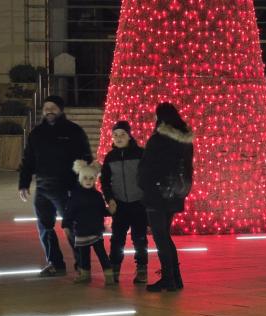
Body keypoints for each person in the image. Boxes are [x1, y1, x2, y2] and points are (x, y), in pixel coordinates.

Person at [18, 95, 92, 277]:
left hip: (66, 187)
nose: (49, 110)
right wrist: (24, 183)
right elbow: (28, 160)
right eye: (46, 108)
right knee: (45, 227)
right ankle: (55, 263)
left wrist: (81, 184)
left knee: (71, 226)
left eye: (53, 107)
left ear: (61, 110)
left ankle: (82, 264)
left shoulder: (74, 131)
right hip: (43, 188)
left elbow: (86, 157)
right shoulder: (36, 133)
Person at [138, 102, 194, 292]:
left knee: (160, 237)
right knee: (165, 236)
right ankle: (175, 279)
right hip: (175, 195)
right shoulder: (185, 141)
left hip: (156, 195)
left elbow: (147, 168)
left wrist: (144, 186)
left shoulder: (159, 139)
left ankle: (169, 279)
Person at [100, 121, 148, 284]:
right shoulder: (110, 157)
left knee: (139, 238)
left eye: (122, 135)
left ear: (129, 136)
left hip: (138, 204)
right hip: (119, 205)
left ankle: (142, 269)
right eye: (115, 135)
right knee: (117, 238)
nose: (118, 138)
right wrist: (110, 199)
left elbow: (148, 177)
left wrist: (146, 197)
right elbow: (105, 182)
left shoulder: (140, 154)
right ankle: (114, 268)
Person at [62, 160, 113, 285]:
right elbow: (69, 212)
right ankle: (85, 274)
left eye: (91, 178)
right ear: (80, 179)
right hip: (81, 230)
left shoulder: (97, 195)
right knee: (84, 255)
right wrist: (66, 225)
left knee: (102, 254)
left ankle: (109, 275)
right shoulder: (75, 196)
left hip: (96, 231)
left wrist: (110, 211)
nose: (88, 181)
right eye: (85, 178)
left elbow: (102, 211)